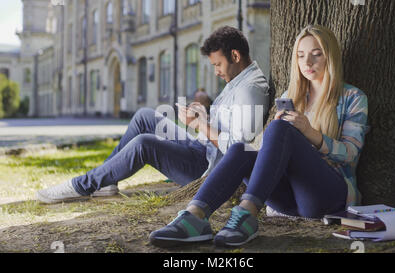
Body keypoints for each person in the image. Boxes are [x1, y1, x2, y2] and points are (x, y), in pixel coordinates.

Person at [149, 25, 369, 248]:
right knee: (240, 150)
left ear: (330, 55)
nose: (307, 63)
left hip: (327, 195)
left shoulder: (353, 98)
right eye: (301, 56)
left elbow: (350, 155)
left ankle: (246, 215)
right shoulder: (290, 96)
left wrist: (310, 133)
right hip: (289, 200)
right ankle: (194, 217)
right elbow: (267, 152)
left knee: (280, 129)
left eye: (316, 54)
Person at [36, 26, 270, 204]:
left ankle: (82, 185)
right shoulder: (239, 79)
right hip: (202, 149)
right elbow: (227, 127)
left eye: (218, 65)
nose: (216, 71)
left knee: (144, 144)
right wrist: (203, 117)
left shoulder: (249, 90)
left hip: (207, 168)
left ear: (236, 56)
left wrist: (203, 125)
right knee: (144, 116)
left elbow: (238, 150)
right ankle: (105, 179)